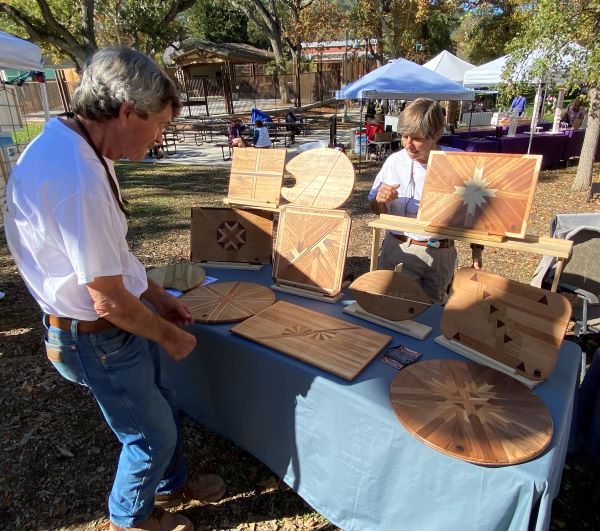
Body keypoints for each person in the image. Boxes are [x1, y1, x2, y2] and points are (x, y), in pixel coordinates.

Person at [4, 47, 225, 531]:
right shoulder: (77, 176)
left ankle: (170, 484)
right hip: (96, 335)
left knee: (161, 405)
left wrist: (155, 295)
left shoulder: (70, 141)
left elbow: (113, 257)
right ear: (126, 111)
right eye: (159, 125)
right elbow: (105, 296)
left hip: (110, 327)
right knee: (149, 436)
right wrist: (169, 336)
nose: (161, 136)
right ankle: (132, 519)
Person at [368, 98, 483, 304]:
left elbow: (478, 210)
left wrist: (477, 249)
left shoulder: (458, 161)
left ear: (436, 134)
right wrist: (380, 200)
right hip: (400, 248)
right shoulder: (395, 161)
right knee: (392, 307)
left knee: (432, 311)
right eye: (404, 136)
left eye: (417, 138)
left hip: (442, 253)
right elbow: (377, 209)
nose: (408, 144)